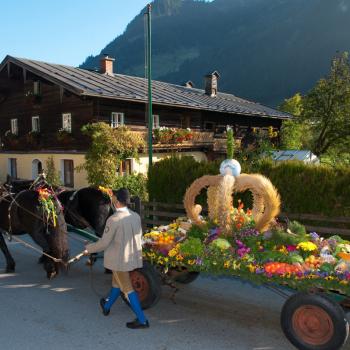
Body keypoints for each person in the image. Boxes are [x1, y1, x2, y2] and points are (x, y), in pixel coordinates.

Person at [83, 188, 149, 329]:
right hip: (132, 257)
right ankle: (106, 306)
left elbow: (104, 243)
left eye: (114, 198)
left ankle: (142, 320)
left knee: (127, 289)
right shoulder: (135, 216)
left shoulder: (113, 219)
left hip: (119, 261)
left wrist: (88, 248)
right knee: (116, 284)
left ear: (117, 201)